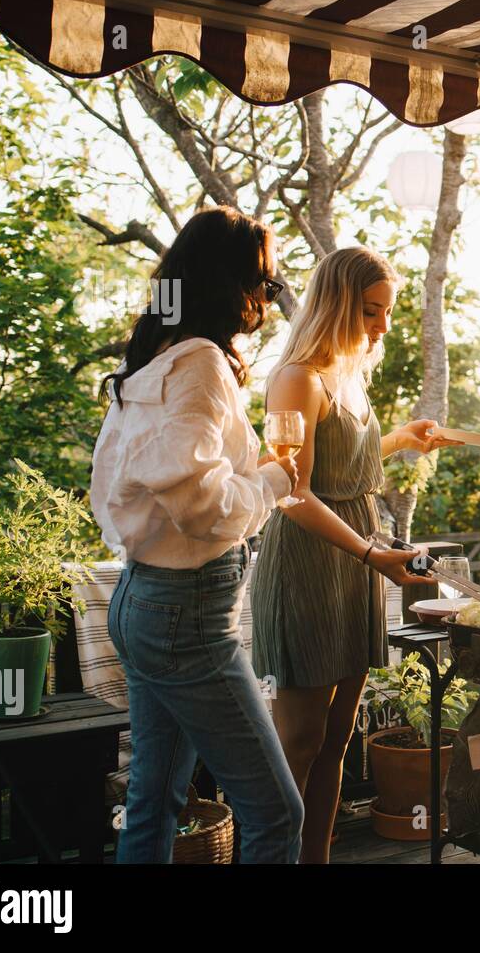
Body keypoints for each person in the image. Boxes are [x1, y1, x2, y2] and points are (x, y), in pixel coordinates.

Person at [91, 206, 305, 863]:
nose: (266, 294)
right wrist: (270, 482)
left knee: (152, 800)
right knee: (275, 813)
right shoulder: (203, 364)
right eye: (262, 279)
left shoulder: (154, 360)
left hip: (142, 598)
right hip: (185, 614)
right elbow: (198, 498)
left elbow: (114, 483)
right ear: (231, 281)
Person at [250, 247, 458, 863]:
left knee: (339, 740)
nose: (383, 327)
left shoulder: (347, 375)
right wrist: (371, 553)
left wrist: (398, 439)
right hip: (312, 563)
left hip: (357, 560)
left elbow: (349, 468)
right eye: (372, 311)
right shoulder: (295, 378)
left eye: (388, 312)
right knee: (301, 739)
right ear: (337, 303)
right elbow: (292, 493)